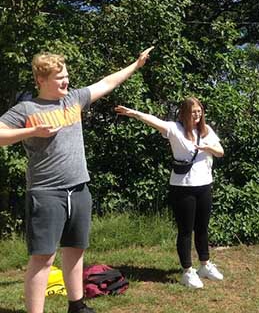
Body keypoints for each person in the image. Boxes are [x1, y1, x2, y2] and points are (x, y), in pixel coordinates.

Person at [0, 47, 154, 313]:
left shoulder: (74, 99)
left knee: (75, 251)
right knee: (43, 259)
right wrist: (33, 130)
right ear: (41, 80)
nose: (66, 81)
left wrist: (136, 64)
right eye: (60, 78)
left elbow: (107, 82)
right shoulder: (27, 108)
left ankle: (77, 306)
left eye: (67, 76)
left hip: (79, 189)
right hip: (46, 193)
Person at [115, 97, 224, 289]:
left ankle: (205, 265)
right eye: (193, 112)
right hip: (183, 188)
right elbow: (152, 120)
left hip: (205, 185)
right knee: (185, 231)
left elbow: (220, 152)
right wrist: (133, 113)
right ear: (184, 113)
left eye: (199, 111)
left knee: (202, 228)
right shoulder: (175, 129)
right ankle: (187, 271)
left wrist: (207, 147)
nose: (197, 115)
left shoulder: (206, 131)